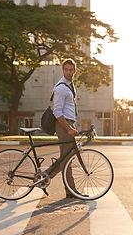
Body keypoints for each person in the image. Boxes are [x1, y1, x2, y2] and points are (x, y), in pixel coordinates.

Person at [50, 58, 79, 198]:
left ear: (74, 71)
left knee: (67, 156)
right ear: (63, 71)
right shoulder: (61, 87)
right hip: (63, 125)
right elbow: (57, 112)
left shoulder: (69, 85)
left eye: (71, 70)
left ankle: (46, 176)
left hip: (68, 123)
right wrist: (68, 128)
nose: (68, 72)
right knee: (67, 158)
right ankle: (71, 191)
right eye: (66, 70)